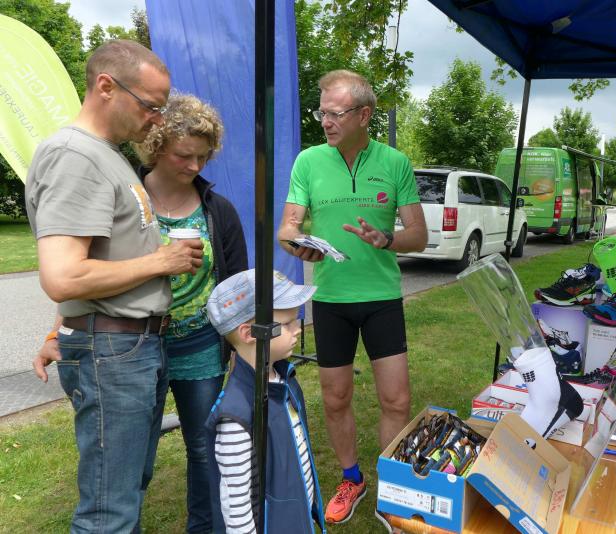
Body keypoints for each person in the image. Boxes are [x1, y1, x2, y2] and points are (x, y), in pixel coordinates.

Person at [25, 40, 204, 532]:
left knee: (125, 491)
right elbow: (63, 276)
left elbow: (95, 260)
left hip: (129, 348)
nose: (157, 118)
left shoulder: (106, 155)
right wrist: (160, 261)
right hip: (112, 352)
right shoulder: (74, 157)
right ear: (106, 86)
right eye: (150, 105)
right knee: (109, 510)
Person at [277, 69, 427, 523]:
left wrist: (387, 239)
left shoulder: (395, 162)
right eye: (321, 112)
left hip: (381, 298)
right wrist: (297, 244)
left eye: (335, 113)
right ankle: (351, 478)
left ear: (364, 115)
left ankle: (392, 487)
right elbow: (287, 227)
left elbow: (419, 236)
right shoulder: (308, 162)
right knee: (336, 397)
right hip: (331, 300)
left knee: (396, 400)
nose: (325, 121)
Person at [133, 93, 248, 533]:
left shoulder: (218, 210)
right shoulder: (127, 198)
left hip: (200, 346)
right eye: (184, 155)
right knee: (135, 454)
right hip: (136, 344)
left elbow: (237, 284)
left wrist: (238, 345)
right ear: (156, 145)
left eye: (203, 156)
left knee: (204, 449)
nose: (195, 165)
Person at [204, 269, 326, 533]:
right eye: (287, 324)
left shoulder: (283, 379)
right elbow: (236, 506)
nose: (298, 329)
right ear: (250, 333)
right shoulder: (236, 416)